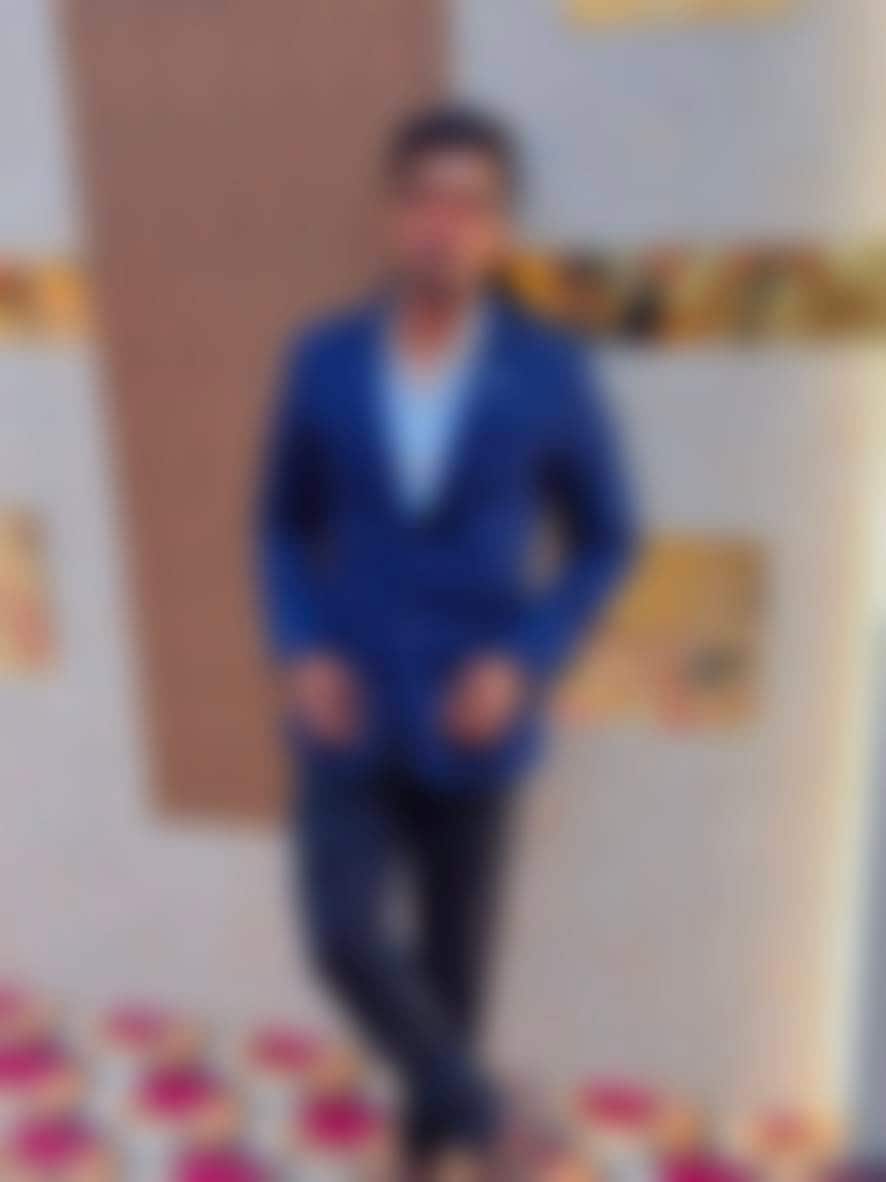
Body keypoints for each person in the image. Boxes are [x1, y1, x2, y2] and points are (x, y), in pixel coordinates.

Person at [257, 106, 637, 1179]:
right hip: (349, 711)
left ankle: (429, 1153)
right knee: (341, 934)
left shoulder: (550, 371)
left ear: (498, 230)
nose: (443, 224)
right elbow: (280, 525)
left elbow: (607, 537)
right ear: (392, 214)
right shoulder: (322, 360)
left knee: (453, 987)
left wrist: (526, 660)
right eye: (424, 198)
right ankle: (492, 1124)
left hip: (476, 723)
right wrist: (300, 647)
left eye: (469, 205)